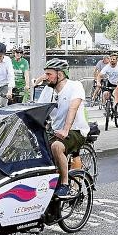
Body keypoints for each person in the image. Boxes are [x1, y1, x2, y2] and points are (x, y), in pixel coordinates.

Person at [37, 58, 90, 200]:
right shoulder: (48, 90)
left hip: (76, 130)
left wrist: (66, 130)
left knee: (56, 147)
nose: (46, 77)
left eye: (49, 74)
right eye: (45, 74)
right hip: (56, 131)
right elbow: (37, 110)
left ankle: (65, 185)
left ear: (59, 74)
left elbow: (73, 108)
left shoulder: (75, 86)